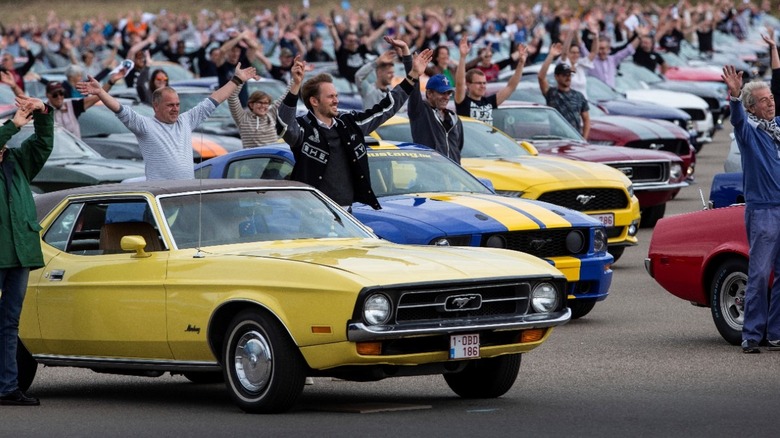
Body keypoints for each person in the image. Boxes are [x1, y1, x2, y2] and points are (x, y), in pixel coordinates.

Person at [277, 48, 431, 209]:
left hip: (347, 213)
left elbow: (385, 108)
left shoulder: (349, 124)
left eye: (336, 96)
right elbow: (284, 125)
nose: (336, 101)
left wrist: (413, 75)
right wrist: (295, 85)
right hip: (313, 213)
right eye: (330, 96)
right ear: (314, 101)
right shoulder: (303, 128)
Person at [76, 63, 258, 181]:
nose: (175, 109)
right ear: (156, 107)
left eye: (178, 105)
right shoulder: (144, 126)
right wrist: (101, 92)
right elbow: (119, 108)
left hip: (186, 193)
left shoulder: (186, 121)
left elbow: (215, 98)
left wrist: (237, 79)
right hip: (160, 197)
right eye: (170, 105)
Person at [722, 64, 780, 354]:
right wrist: (734, 97)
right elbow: (737, 121)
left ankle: (776, 333)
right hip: (763, 211)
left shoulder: (777, 126)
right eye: (764, 100)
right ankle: (751, 335)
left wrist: (775, 56)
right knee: (758, 273)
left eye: (771, 98)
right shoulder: (749, 132)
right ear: (752, 108)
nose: (770, 102)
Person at [0, 95, 53, 406]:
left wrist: (44, 111)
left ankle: (7, 388)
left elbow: (44, 143)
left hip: (19, 254)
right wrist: (13, 124)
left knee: (9, 324)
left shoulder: (16, 161)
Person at [455, 37, 527, 126]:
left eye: (484, 83)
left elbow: (511, 87)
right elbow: (459, 83)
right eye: (478, 83)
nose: (482, 86)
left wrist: (521, 63)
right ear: (468, 84)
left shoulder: (489, 102)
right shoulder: (462, 102)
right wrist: (462, 57)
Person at [408, 73, 464, 164]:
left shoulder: (454, 119)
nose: (446, 97)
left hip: (453, 175)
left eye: (448, 93)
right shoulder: (420, 112)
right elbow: (413, 89)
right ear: (429, 93)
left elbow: (458, 148)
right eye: (442, 93)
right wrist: (411, 65)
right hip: (430, 174)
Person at [538, 42, 590, 139]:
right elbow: (541, 77)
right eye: (564, 75)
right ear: (557, 77)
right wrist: (551, 55)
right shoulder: (552, 93)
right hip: (557, 139)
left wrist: (584, 139)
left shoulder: (579, 96)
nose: (568, 78)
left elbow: (586, 120)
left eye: (569, 75)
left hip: (575, 139)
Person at [581, 25, 646, 88]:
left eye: (604, 48)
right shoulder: (591, 60)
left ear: (608, 49)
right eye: (600, 48)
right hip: (596, 96)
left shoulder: (613, 60)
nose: (602, 51)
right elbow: (581, 46)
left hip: (611, 95)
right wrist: (573, 30)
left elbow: (629, 50)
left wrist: (640, 36)